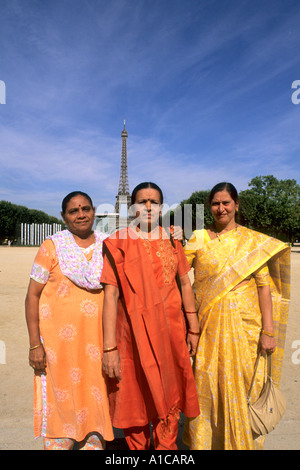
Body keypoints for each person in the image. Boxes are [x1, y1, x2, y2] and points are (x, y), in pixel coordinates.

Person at [183, 182, 290, 450]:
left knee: (242, 386)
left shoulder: (252, 243)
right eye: (216, 204)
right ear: (210, 207)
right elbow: (178, 274)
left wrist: (268, 331)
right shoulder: (198, 237)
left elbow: (264, 288)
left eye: (226, 203)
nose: (221, 208)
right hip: (207, 327)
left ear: (236, 205)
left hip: (246, 330)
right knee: (207, 385)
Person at [100, 182, 200, 450]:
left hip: (170, 334)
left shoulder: (171, 239)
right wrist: (109, 348)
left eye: (153, 202)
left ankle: (166, 449)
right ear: (131, 206)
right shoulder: (117, 242)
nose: (147, 206)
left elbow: (185, 284)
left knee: (169, 394)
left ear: (161, 207)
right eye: (141, 201)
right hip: (131, 336)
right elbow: (110, 296)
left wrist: (193, 328)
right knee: (135, 393)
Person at [25, 191, 114, 450]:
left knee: (94, 400)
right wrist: (34, 345)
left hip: (96, 346)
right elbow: (32, 297)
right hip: (57, 349)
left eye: (86, 208)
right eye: (74, 211)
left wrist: (172, 233)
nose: (81, 214)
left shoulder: (108, 247)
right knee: (60, 401)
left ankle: (92, 437)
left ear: (94, 211)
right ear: (64, 217)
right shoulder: (52, 247)